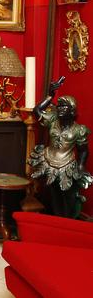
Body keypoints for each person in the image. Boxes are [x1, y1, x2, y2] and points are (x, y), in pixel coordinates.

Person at [29, 77, 91, 219]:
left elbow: (83, 150)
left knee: (67, 195)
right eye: (60, 106)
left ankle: (67, 221)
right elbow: (37, 110)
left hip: (67, 165)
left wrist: (81, 166)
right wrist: (51, 95)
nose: (61, 109)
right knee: (52, 194)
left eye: (65, 107)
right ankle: (55, 221)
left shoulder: (78, 130)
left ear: (72, 111)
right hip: (49, 160)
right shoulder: (52, 120)